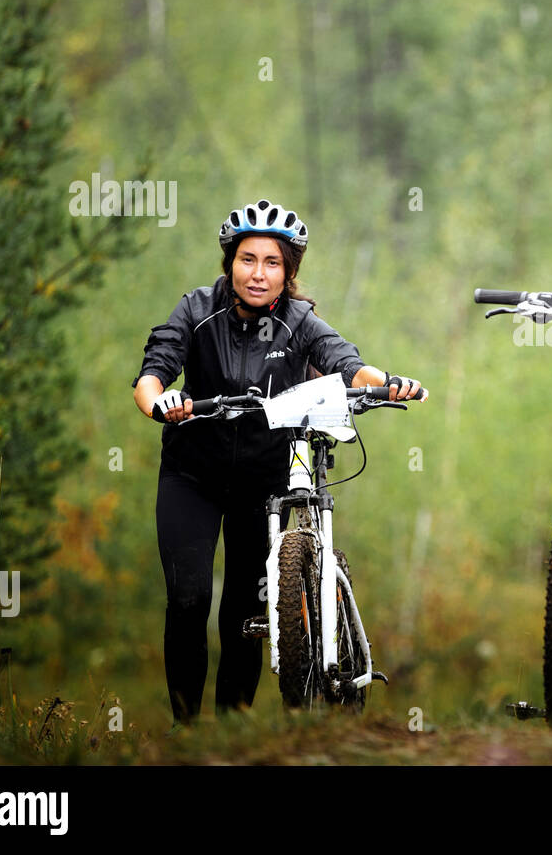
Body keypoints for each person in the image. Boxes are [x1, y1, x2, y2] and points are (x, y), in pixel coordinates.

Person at [131, 200, 425, 725]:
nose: (258, 273)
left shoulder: (300, 321)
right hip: (191, 477)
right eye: (248, 259)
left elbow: (347, 364)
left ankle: (231, 732)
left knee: (246, 614)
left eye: (272, 263)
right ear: (229, 264)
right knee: (189, 600)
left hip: (262, 486)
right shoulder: (197, 310)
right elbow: (155, 370)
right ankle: (185, 730)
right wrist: (160, 403)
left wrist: (387, 383)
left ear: (289, 272)